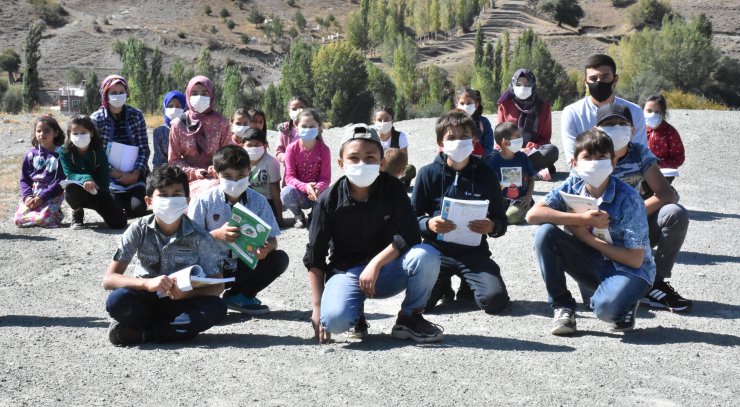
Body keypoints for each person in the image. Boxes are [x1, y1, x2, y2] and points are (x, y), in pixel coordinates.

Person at [304, 125, 443, 343]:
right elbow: (315, 254)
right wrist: (317, 307)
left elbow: (410, 234)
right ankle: (354, 314)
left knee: (426, 255)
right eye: (354, 157)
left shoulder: (393, 189)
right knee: (334, 321)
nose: (362, 163)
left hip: (388, 271)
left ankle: (409, 318)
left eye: (370, 157)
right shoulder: (328, 200)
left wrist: (376, 264)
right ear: (341, 164)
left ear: (382, 162)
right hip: (346, 271)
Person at [526, 129, 655, 335]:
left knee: (604, 310)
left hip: (630, 271)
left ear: (613, 162)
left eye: (601, 157)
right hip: (594, 262)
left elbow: (635, 260)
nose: (594, 163)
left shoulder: (629, 199)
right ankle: (563, 307)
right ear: (574, 163)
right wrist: (580, 220)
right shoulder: (573, 185)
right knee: (545, 233)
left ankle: (625, 301)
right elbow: (533, 215)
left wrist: (585, 236)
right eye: (587, 157)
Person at [103, 164, 227, 346]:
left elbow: (218, 285)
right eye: (163, 195)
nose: (170, 200)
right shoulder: (138, 229)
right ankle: (173, 331)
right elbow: (109, 279)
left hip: (183, 302)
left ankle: (145, 333)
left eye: (176, 194)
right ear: (149, 201)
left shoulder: (200, 235)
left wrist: (188, 295)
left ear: (187, 200)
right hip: (146, 299)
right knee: (117, 300)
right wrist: (146, 284)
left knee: (217, 308)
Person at [594, 103, 692, 312]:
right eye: (609, 123)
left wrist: (626, 215)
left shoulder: (640, 153)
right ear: (596, 130)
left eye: (622, 123)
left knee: (675, 213)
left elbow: (666, 194)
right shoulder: (589, 155)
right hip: (600, 231)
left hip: (633, 228)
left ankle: (655, 283)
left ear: (632, 130)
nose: (616, 128)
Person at [412, 110, 509, 314]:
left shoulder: (487, 174)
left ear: (474, 141)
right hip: (435, 253)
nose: (458, 142)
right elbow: (412, 218)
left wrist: (492, 226)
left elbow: (501, 220)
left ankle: (470, 283)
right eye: (451, 138)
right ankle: (442, 285)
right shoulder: (427, 174)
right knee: (420, 304)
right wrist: (428, 224)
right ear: (441, 142)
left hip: (474, 252)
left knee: (495, 301)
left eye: (464, 137)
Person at [189, 145, 289, 314]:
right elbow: (189, 241)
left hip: (243, 265)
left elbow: (273, 239)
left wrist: (267, 248)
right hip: (210, 268)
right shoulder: (203, 201)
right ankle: (201, 298)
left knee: (279, 259)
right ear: (216, 174)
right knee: (210, 308)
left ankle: (239, 295)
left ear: (249, 172)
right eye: (228, 176)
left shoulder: (259, 201)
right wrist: (215, 235)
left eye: (241, 176)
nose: (235, 182)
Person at [561, 54, 647, 166]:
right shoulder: (572, 113)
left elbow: (640, 154)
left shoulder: (634, 111)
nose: (599, 82)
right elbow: (573, 160)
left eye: (605, 77)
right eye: (593, 78)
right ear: (585, 82)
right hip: (589, 176)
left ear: (615, 79)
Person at [91, 75, 150, 218]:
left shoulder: (137, 115)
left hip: (134, 175)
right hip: (109, 175)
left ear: (127, 93)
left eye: (121, 92)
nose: (118, 96)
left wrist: (135, 174)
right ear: (105, 95)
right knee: (113, 209)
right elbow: (95, 154)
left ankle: (131, 198)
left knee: (138, 209)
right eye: (113, 93)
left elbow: (143, 148)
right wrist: (115, 173)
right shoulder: (96, 119)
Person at [168, 76, 235, 196]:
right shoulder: (179, 123)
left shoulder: (221, 123)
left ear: (212, 95)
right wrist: (194, 172)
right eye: (194, 93)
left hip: (218, 177)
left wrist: (218, 168)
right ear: (188, 95)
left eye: (204, 94)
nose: (199, 97)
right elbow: (174, 160)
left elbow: (229, 154)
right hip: (186, 179)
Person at [59, 115, 127, 230]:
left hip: (98, 192)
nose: (79, 136)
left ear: (91, 132)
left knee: (119, 223)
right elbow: (69, 173)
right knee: (71, 190)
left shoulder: (99, 152)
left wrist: (95, 188)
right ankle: (77, 212)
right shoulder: (65, 151)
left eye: (83, 132)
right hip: (78, 191)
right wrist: (86, 178)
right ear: (69, 134)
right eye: (75, 133)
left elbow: (105, 179)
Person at [497, 68, 558, 180]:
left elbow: (545, 137)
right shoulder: (505, 105)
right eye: (519, 84)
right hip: (509, 151)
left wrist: (531, 147)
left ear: (533, 85)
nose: (522, 88)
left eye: (527, 84)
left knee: (551, 150)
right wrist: (511, 149)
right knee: (491, 155)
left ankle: (514, 172)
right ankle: (530, 173)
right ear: (513, 85)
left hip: (531, 153)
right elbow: (499, 135)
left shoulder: (543, 106)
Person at [280, 108, 331, 229]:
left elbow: (326, 178)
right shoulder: (291, 149)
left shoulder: (324, 150)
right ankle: (298, 215)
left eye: (312, 126)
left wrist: (317, 188)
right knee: (286, 192)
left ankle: (315, 213)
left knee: (330, 194)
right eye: (304, 126)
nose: (308, 129)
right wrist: (305, 186)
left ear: (319, 128)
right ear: (296, 127)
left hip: (317, 194)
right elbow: (289, 177)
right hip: (299, 193)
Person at [14, 114, 66, 228]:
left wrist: (42, 198)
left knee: (42, 219)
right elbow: (24, 179)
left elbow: (60, 180)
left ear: (56, 133)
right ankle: (41, 212)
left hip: (51, 193)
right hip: (33, 193)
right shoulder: (30, 154)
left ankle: (55, 214)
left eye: (46, 131)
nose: (42, 134)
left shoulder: (61, 155)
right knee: (18, 220)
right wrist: (27, 197)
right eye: (39, 131)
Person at [486, 122, 536, 225]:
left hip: (520, 200)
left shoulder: (522, 157)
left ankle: (519, 212)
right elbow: (489, 187)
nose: (520, 138)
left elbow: (531, 177)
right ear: (505, 143)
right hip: (501, 200)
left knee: (512, 216)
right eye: (517, 136)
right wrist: (501, 186)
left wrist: (528, 196)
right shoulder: (493, 161)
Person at [241, 128, 285, 226]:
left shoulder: (271, 162)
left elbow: (275, 191)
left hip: (266, 202)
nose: (253, 148)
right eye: (249, 145)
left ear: (264, 146)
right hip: (246, 200)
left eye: (257, 145)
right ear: (242, 146)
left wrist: (280, 219)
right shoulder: (240, 162)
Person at [371, 107, 416, 186]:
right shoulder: (370, 138)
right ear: (374, 121)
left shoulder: (400, 136)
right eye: (379, 120)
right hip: (376, 171)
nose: (383, 122)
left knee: (410, 169)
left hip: (395, 171)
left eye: (387, 119)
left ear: (392, 121)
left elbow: (404, 161)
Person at [644, 94, 684, 182]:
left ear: (663, 113)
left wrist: (661, 165)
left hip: (663, 173)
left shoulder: (670, 132)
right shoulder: (638, 130)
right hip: (641, 170)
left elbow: (678, 157)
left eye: (657, 112)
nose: (653, 115)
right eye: (649, 111)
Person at [152, 90, 187, 168]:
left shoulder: (191, 129)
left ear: (185, 108)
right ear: (165, 107)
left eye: (178, 106)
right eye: (170, 106)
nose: (174, 109)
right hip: (169, 173)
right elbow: (159, 161)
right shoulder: (159, 132)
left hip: (191, 171)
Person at [456, 88, 494, 157]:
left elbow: (489, 147)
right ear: (457, 104)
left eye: (469, 103)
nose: (465, 106)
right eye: (462, 103)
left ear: (476, 105)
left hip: (479, 161)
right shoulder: (452, 123)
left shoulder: (483, 122)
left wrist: (478, 156)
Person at [275, 96, 309, 164]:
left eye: (301, 108)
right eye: (294, 109)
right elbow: (279, 152)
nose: (298, 111)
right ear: (289, 111)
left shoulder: (312, 128)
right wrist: (288, 157)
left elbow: (321, 149)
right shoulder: (285, 129)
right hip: (290, 171)